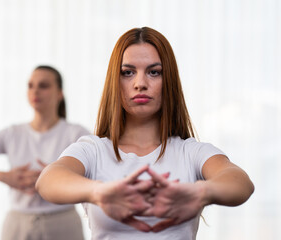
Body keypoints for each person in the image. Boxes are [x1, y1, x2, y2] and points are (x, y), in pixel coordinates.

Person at [35, 27, 255, 240]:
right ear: (115, 81)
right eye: (128, 72)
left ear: (167, 81)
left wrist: (201, 193)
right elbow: (48, 180)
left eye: (154, 72)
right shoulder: (92, 149)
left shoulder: (191, 151)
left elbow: (241, 183)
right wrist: (98, 193)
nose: (140, 83)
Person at [0, 65, 88, 240]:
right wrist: (4, 176)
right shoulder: (12, 134)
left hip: (63, 224)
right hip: (17, 226)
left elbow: (100, 177)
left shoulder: (76, 134)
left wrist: (59, 177)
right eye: (30, 85)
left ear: (60, 93)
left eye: (43, 85)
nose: (35, 90)